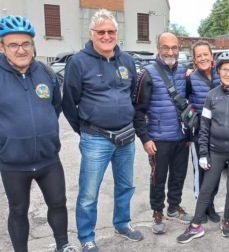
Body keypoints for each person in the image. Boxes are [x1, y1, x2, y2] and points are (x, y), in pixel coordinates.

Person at [62, 9, 143, 252]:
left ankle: (122, 223)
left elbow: (131, 96)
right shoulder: (78, 62)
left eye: (111, 31)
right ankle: (87, 237)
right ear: (92, 34)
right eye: (101, 31)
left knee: (126, 185)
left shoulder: (127, 60)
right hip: (96, 138)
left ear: (117, 33)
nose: (107, 35)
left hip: (126, 137)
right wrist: (86, 130)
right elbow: (69, 103)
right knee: (88, 193)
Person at [0, 15, 77, 252]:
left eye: (26, 44)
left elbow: (55, 107)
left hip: (48, 159)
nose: (21, 49)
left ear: (33, 46)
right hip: (13, 163)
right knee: (18, 210)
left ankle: (62, 245)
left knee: (58, 203)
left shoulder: (47, 73)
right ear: (2, 47)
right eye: (13, 44)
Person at [176, 52, 229, 243]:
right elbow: (204, 126)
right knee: (206, 188)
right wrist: (203, 153)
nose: (228, 73)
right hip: (215, 150)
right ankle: (196, 225)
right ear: (219, 71)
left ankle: (227, 220)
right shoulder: (211, 95)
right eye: (224, 69)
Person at [133, 32, 193, 235]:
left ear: (179, 48)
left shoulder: (185, 72)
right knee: (158, 178)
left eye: (174, 47)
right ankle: (157, 212)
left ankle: (174, 207)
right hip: (158, 139)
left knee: (178, 176)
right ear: (159, 48)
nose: (170, 51)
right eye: (166, 47)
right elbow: (138, 110)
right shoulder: (147, 73)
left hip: (182, 137)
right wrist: (145, 138)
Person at [187, 40, 221, 223]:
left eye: (205, 54)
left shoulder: (221, 74)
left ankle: (211, 206)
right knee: (201, 171)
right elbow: (184, 107)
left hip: (219, 134)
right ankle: (201, 208)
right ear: (194, 59)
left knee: (214, 172)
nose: (203, 58)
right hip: (199, 134)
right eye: (198, 55)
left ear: (211, 55)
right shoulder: (190, 78)